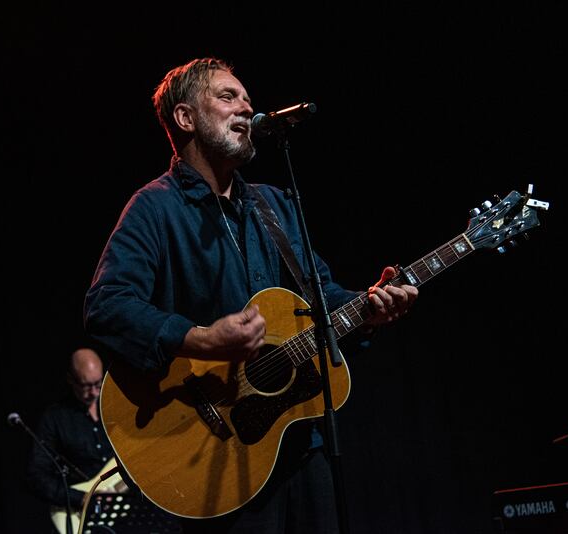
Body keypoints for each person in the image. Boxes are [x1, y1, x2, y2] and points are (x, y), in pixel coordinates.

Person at [83, 58, 418, 534]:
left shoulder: (273, 204)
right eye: (228, 97)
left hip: (301, 443)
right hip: (215, 451)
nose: (247, 107)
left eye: (247, 99)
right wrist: (200, 339)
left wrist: (371, 305)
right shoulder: (153, 207)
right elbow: (107, 305)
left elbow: (320, 298)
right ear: (185, 118)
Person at [25, 347, 116, 531]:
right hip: (81, 513)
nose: (94, 392)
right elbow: (37, 476)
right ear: (70, 380)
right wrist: (80, 498)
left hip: (124, 506)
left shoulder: (113, 408)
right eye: (86, 386)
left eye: (98, 384)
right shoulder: (55, 418)